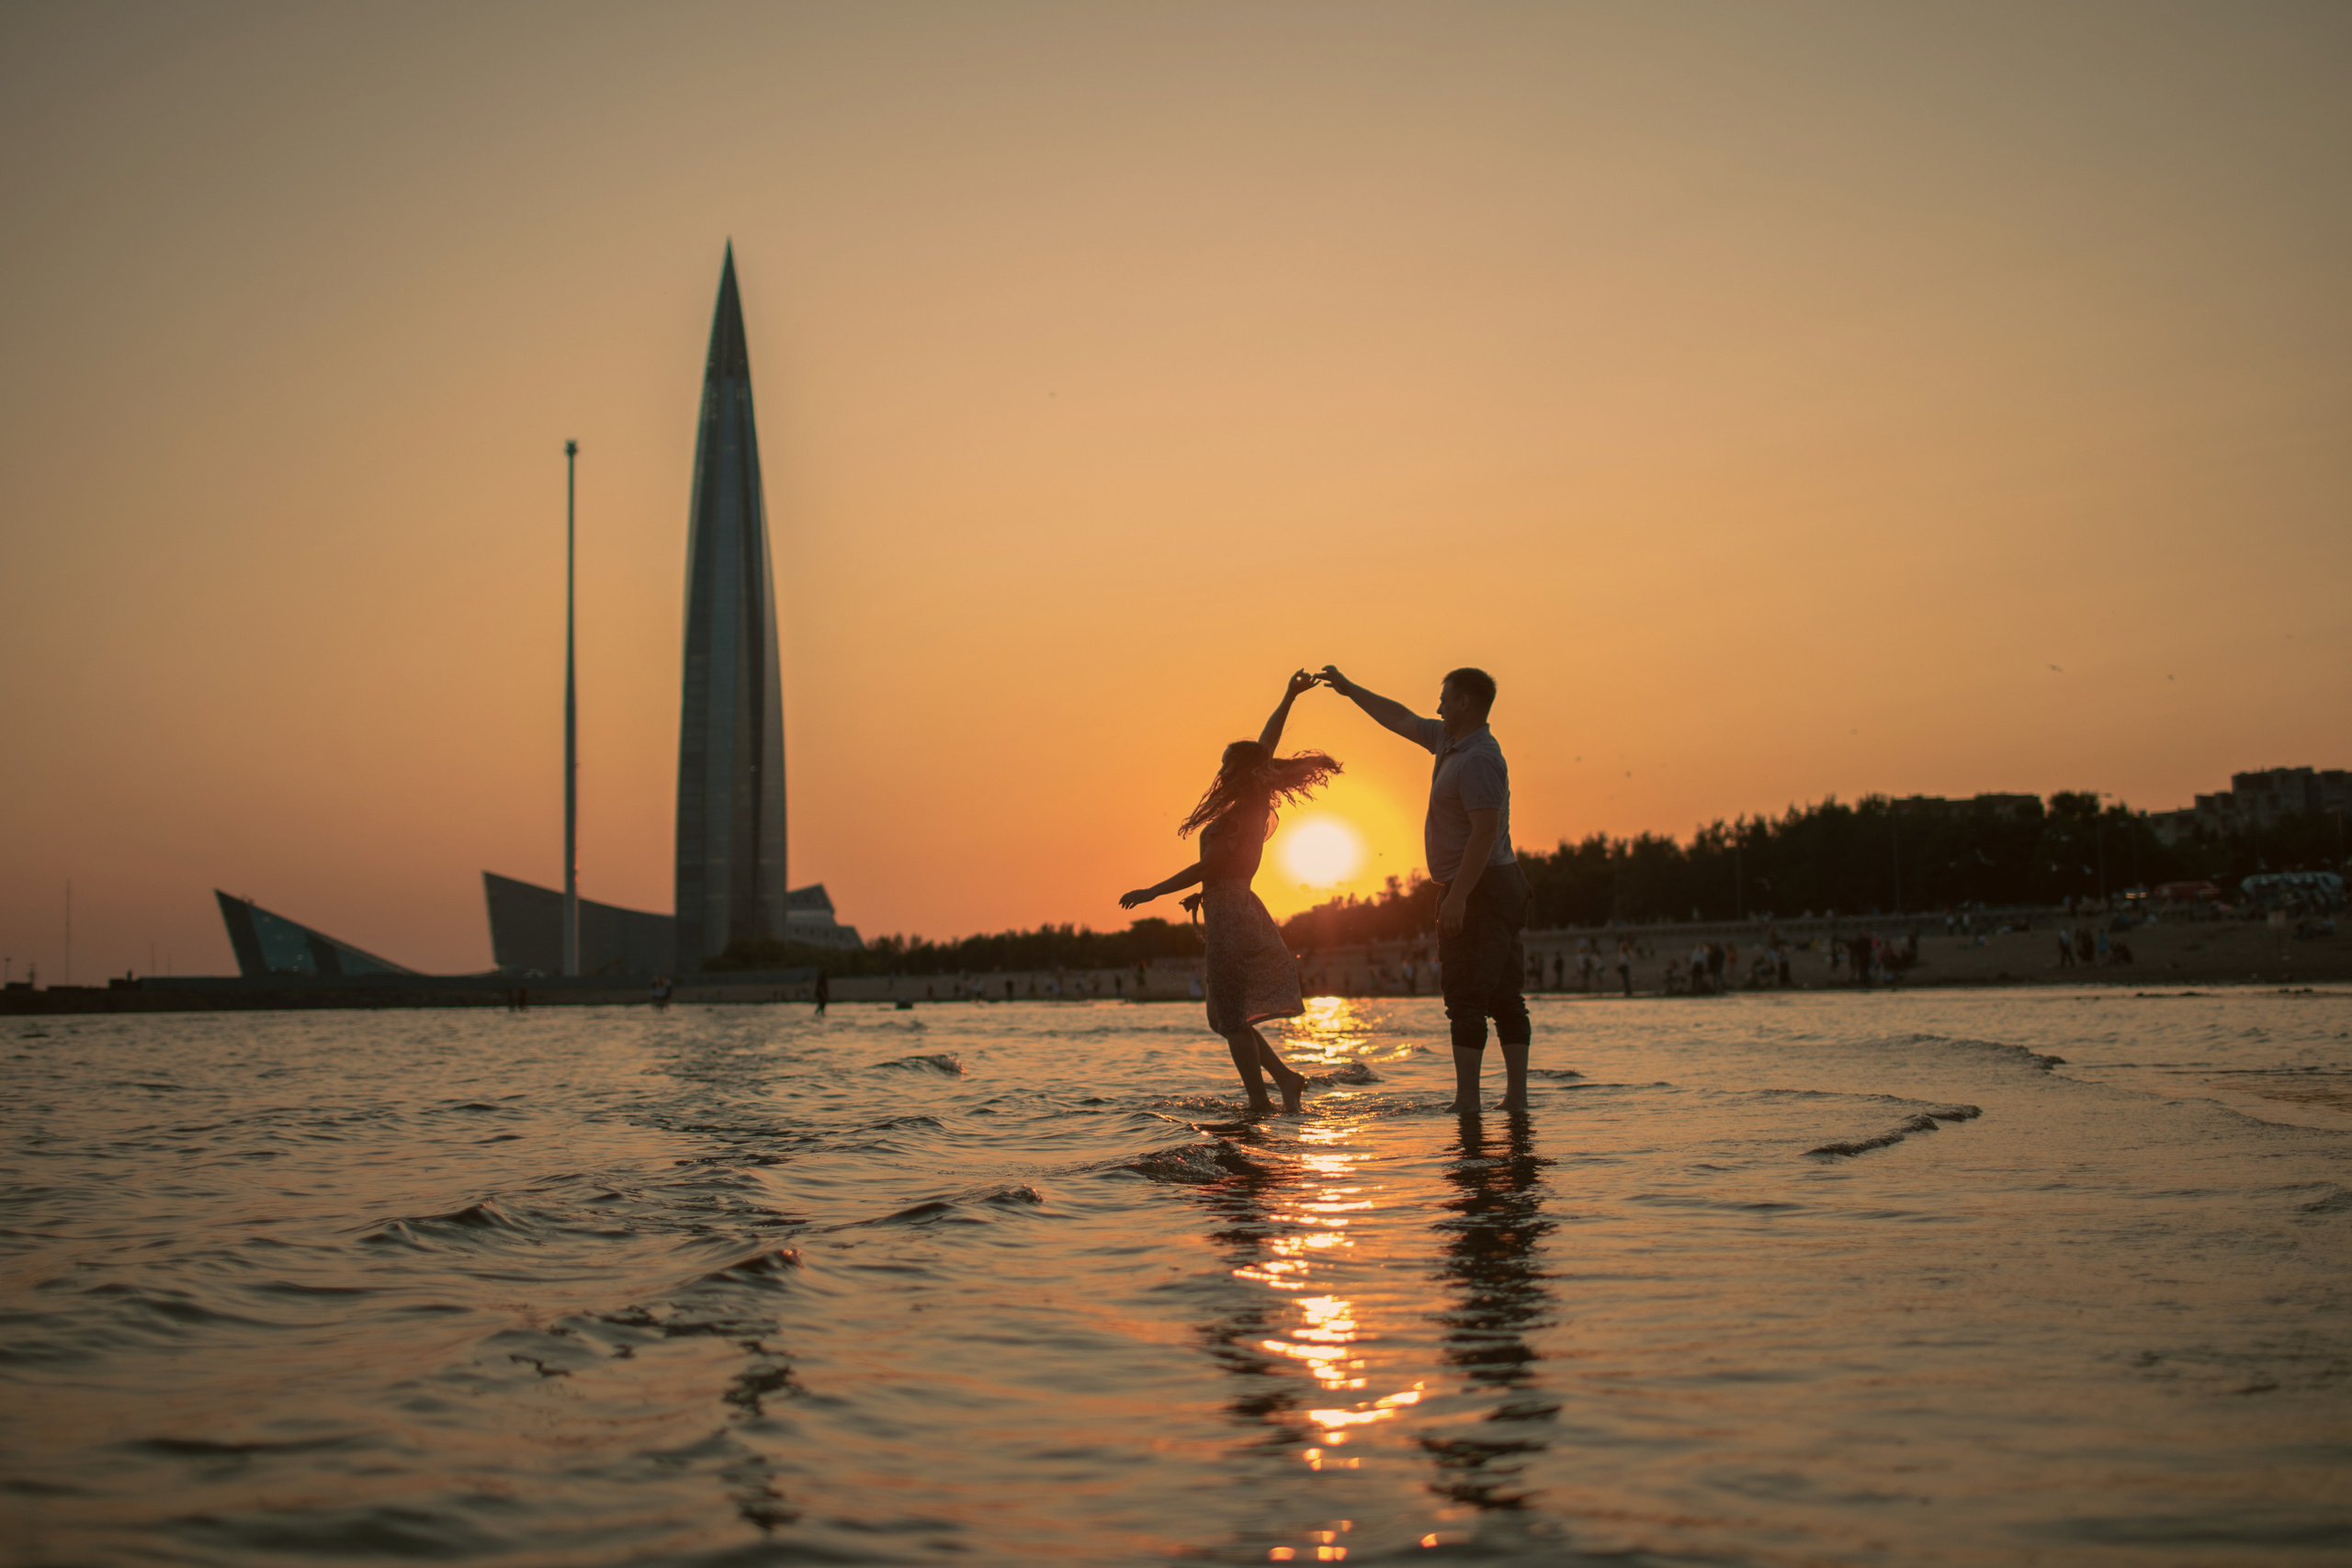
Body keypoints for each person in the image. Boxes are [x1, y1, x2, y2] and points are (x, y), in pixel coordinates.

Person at [1123, 671, 1338, 1115]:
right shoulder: (1247, 806)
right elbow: (1265, 746)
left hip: (1234, 914)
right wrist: (1289, 695)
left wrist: (1153, 891)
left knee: (1232, 1018)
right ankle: (1286, 1079)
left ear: (1242, 770)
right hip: (1229, 909)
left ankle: (1260, 1102)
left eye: (1226, 764)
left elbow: (1209, 866)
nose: (1220, 771)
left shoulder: (1246, 811)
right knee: (1220, 1018)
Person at [1318, 664, 1531, 1112]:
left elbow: (1484, 833)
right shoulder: (1449, 742)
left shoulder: (1479, 759)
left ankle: (1469, 1103)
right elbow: (1401, 718)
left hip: (1482, 886)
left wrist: (1458, 897)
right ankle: (1514, 1101)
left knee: (1468, 998)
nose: (1438, 708)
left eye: (1444, 699)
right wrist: (1350, 689)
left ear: (1464, 703)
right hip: (1493, 883)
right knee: (1502, 997)